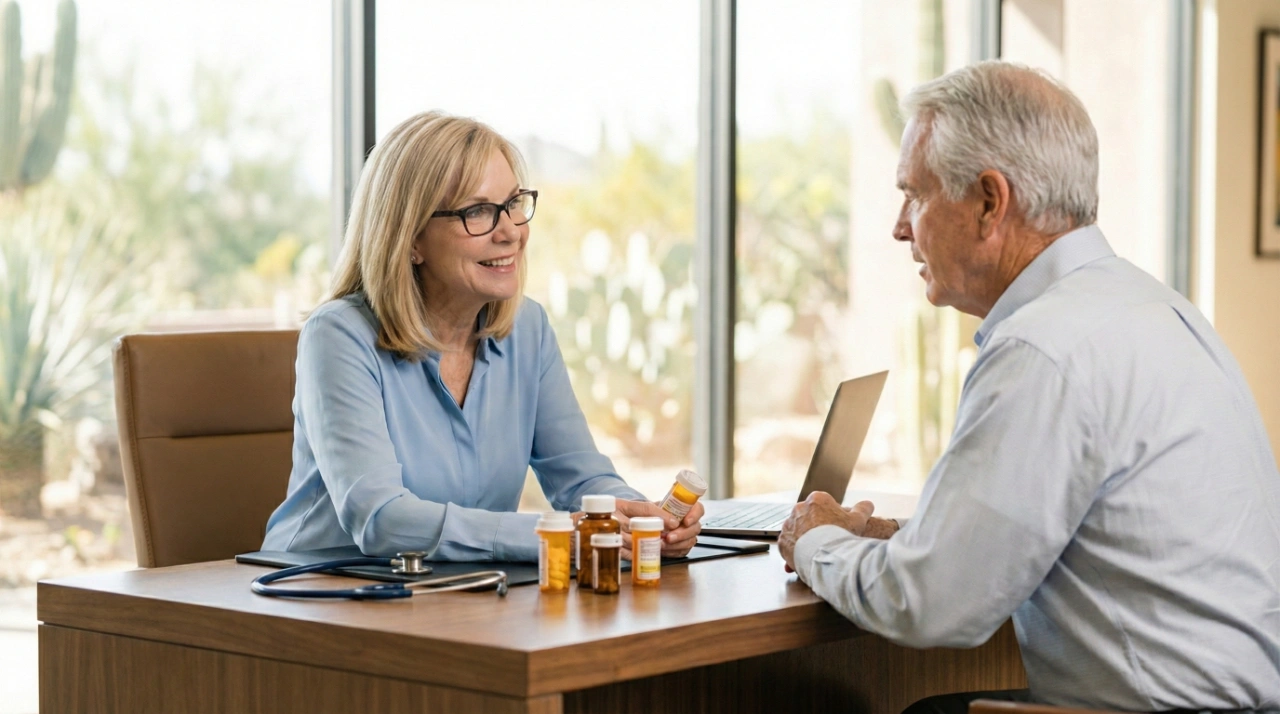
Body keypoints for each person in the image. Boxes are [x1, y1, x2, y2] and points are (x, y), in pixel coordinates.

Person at [779, 61, 1280, 712]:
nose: (901, 227)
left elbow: (929, 605)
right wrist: (894, 534)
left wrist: (813, 538)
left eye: (915, 195)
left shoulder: (1043, 347)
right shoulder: (1156, 311)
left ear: (990, 202)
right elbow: (1070, 528)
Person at [262, 111, 702, 562]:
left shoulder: (527, 329)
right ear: (410, 238)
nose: (510, 232)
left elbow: (583, 481)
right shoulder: (338, 336)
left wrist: (639, 522)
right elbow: (382, 520)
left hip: (457, 591)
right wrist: (555, 536)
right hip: (316, 595)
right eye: (477, 212)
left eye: (513, 204)